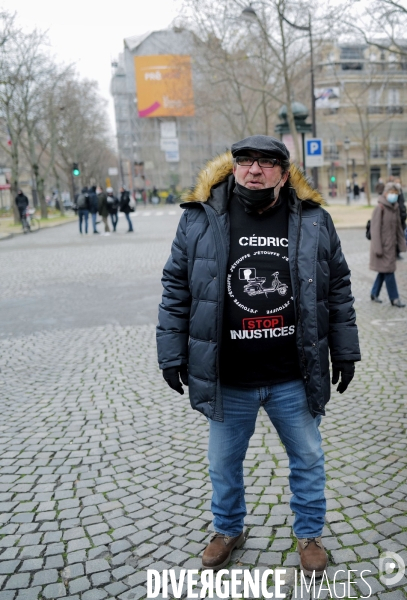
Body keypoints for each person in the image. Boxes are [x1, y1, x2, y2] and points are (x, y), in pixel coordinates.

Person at [157, 135, 361, 576]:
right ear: (233, 168)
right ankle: (228, 529)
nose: (255, 169)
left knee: (308, 457)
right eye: (246, 161)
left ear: (284, 174)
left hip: (294, 374)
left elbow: (338, 288)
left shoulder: (313, 219)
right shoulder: (200, 219)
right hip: (228, 375)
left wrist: (345, 352)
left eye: (267, 163)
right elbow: (177, 287)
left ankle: (309, 534)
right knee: (223, 464)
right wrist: (170, 352)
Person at [370, 182, 406, 306]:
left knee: (383, 271)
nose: (393, 195)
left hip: (391, 247)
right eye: (391, 193)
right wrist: (378, 248)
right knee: (389, 271)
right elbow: (374, 230)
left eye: (396, 193)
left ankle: (374, 293)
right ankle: (394, 298)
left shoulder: (395, 208)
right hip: (382, 247)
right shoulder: (380, 208)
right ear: (385, 193)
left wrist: (402, 245)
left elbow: (399, 229)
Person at [393, 178, 406, 259]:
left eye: (399, 182)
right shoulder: (393, 193)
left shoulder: (401, 192)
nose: (398, 184)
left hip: (402, 218)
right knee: (395, 236)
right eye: (396, 182)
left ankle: (399, 251)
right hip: (396, 218)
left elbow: (402, 205)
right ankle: (395, 252)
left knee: (402, 235)